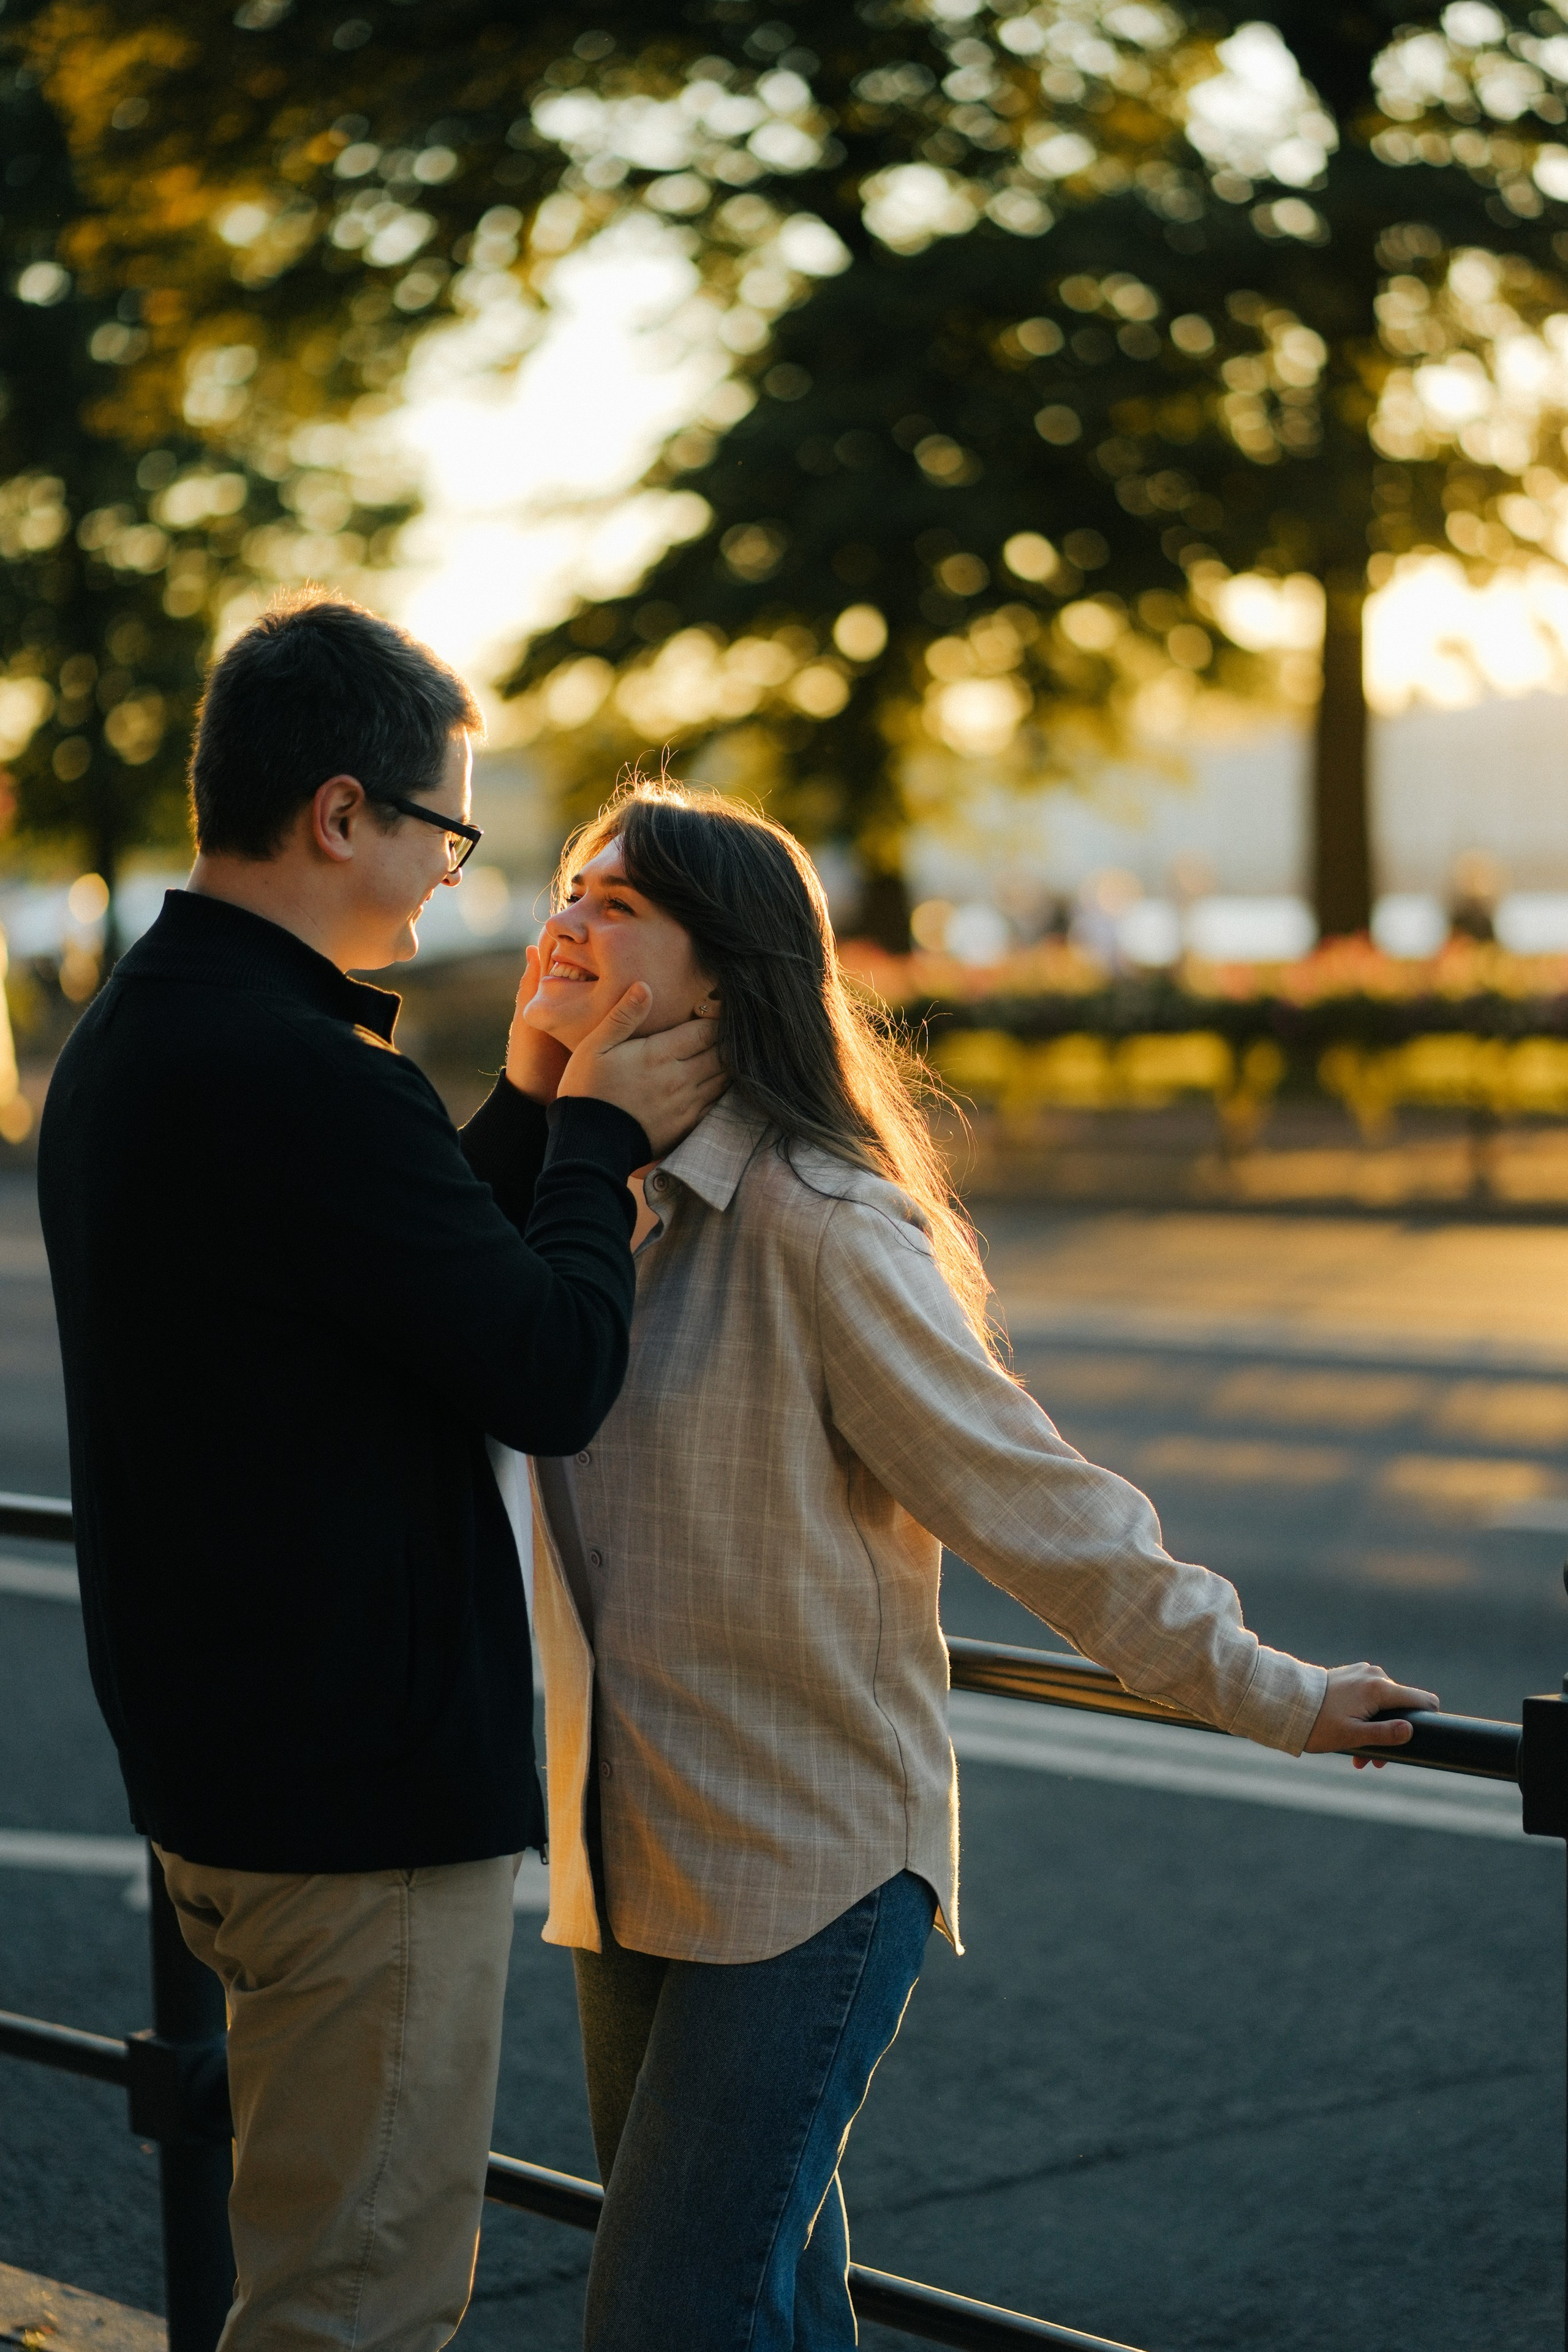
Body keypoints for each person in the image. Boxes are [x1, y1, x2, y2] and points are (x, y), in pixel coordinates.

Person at [508, 778, 1438, 2352]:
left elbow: (1031, 1502)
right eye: (569, 887)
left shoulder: (816, 1223)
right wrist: (544, 1102)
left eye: (620, 903)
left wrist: (1268, 1692)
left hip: (799, 1869)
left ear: (723, 977)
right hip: (630, 1850)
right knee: (761, 2305)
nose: (567, 919)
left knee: (666, 2321)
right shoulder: (598, 1207)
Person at [35, 596, 723, 2352]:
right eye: (447, 832)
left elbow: (382, 1277)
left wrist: (523, 1103)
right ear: (344, 813)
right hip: (360, 1806)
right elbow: (547, 1369)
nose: (450, 876)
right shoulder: (306, 1073)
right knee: (356, 2313)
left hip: (225, 1771)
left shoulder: (143, 1032)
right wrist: (598, 1137)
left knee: (313, 2284)